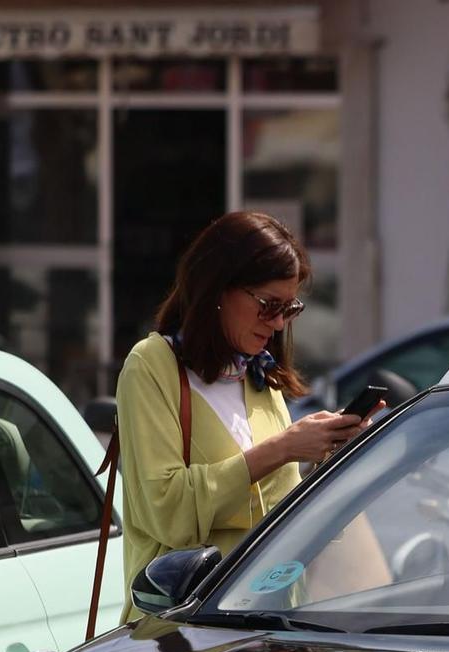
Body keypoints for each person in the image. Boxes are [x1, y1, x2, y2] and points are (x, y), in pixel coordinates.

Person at [112, 210, 366, 620]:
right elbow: (167, 512)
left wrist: (328, 456)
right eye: (269, 305)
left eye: (290, 308)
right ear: (217, 287)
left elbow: (282, 516)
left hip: (267, 626)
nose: (279, 322)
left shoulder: (259, 372)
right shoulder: (152, 366)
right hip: (181, 636)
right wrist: (281, 449)